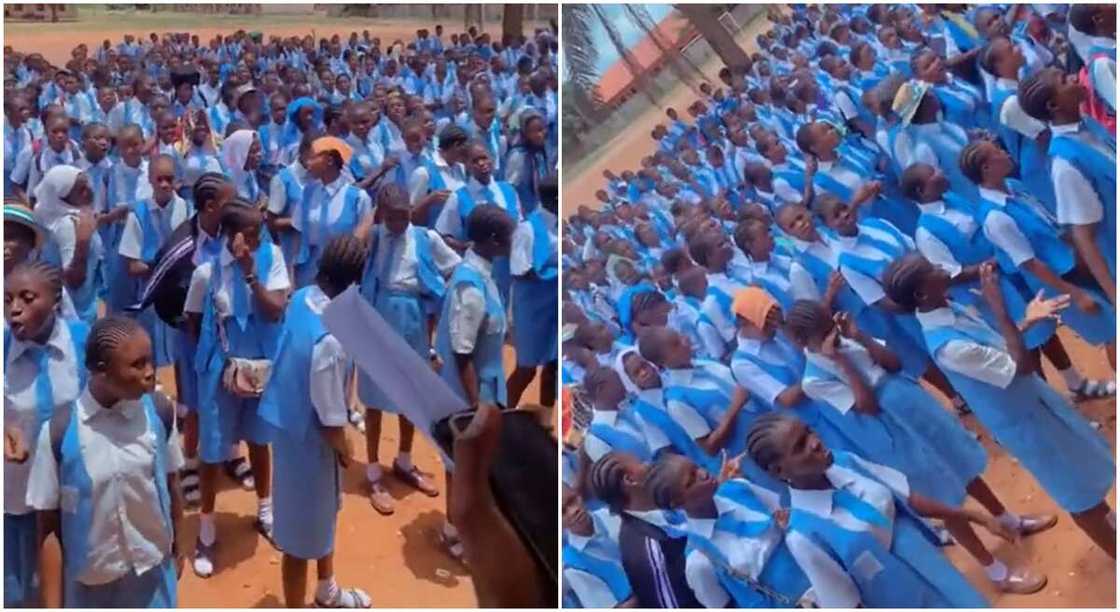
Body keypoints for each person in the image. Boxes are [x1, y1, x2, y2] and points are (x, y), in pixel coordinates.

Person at [882, 253, 1116, 558]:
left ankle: (1109, 521)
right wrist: (999, 308)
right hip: (1026, 423)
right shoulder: (949, 347)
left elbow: (997, 348)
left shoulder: (949, 309)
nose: (942, 268)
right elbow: (1020, 365)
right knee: (1077, 492)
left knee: (1085, 469)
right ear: (922, 294)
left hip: (1033, 404)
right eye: (933, 270)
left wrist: (1027, 320)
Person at [745, 412, 1006, 608]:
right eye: (800, 446)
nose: (814, 442)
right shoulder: (803, 537)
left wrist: (975, 516)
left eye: (809, 431)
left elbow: (907, 498)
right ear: (778, 471)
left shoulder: (846, 462)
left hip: (944, 578)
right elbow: (846, 604)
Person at [26, 316, 184, 607]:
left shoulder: (159, 413)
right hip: (91, 589)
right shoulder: (59, 433)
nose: (150, 372)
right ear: (101, 371)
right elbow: (48, 527)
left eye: (150, 361)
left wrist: (179, 545)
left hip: (152, 579)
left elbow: (170, 483)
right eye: (137, 365)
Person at [259, 235, 372, 608]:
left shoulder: (302, 297)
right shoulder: (331, 341)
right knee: (297, 544)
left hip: (290, 433)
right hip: (312, 447)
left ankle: (327, 590)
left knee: (323, 522)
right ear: (355, 282)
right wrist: (347, 451)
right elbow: (328, 420)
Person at [183, 201, 289, 577]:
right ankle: (207, 529)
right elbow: (193, 321)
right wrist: (215, 362)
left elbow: (275, 308)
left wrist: (250, 275)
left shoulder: (271, 258)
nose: (259, 241)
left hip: (260, 367)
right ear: (231, 236)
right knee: (212, 452)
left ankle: (265, 511)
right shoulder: (206, 273)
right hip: (219, 373)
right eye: (252, 235)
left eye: (261, 234)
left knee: (260, 442)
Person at [355, 184, 459, 515]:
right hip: (377, 313)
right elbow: (349, 247)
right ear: (382, 214)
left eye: (405, 216)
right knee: (372, 398)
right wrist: (372, 219)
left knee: (409, 396)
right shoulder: (373, 237)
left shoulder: (426, 239)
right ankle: (372, 470)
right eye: (393, 217)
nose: (400, 224)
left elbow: (454, 267)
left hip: (413, 317)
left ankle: (404, 459)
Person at [3, 261, 88, 607]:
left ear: (55, 300)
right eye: (7, 300)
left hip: (73, 491)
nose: (14, 309)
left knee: (77, 579)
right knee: (24, 589)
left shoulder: (83, 343)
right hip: (19, 493)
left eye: (26, 298)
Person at [507, 174, 559, 413]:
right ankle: (504, 415)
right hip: (532, 309)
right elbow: (520, 270)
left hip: (554, 305)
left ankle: (546, 423)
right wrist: (556, 274)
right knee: (526, 368)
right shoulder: (528, 229)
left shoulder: (560, 224)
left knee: (553, 366)